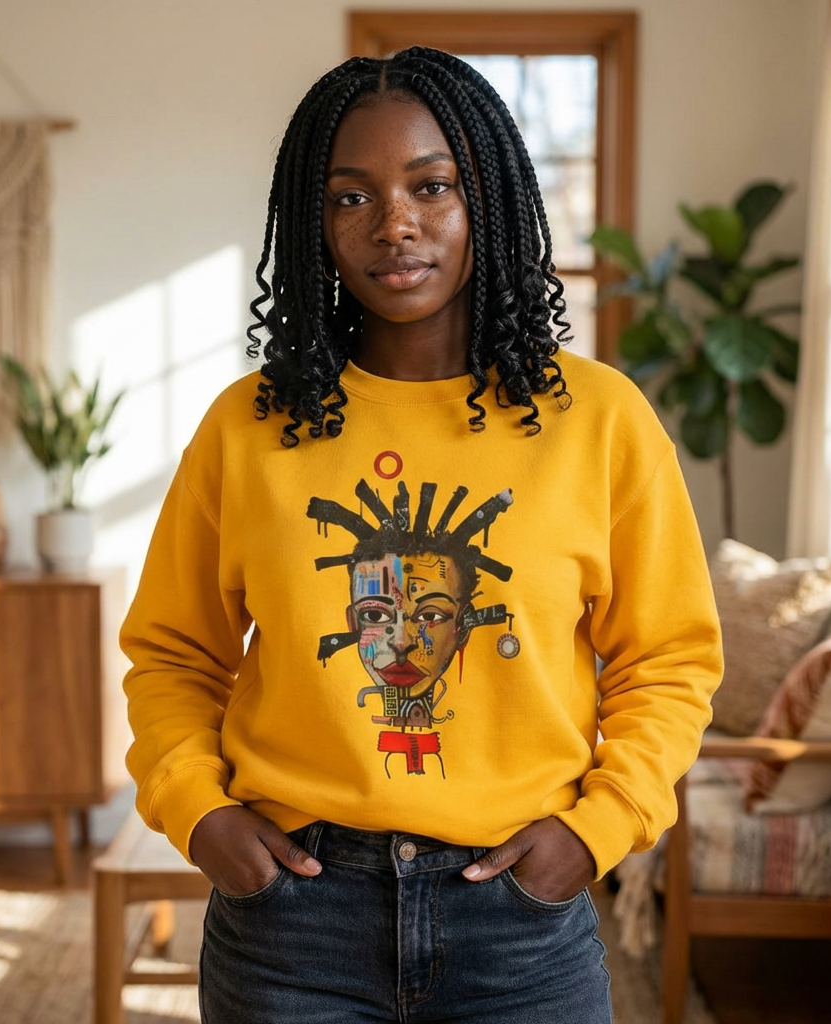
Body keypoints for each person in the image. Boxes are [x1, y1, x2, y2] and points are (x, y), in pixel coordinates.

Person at [121, 46, 723, 1024]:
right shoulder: (248, 428)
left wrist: (599, 827)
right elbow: (171, 653)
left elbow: (669, 661)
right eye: (350, 197)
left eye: (431, 186)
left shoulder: (599, 421)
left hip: (518, 925)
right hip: (292, 922)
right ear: (312, 225)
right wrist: (200, 810)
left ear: (485, 196)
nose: (394, 224)